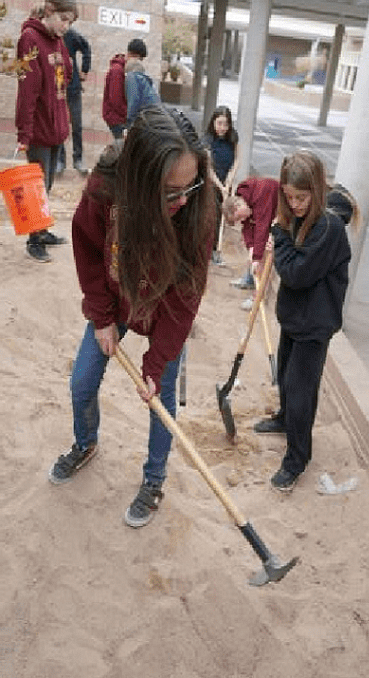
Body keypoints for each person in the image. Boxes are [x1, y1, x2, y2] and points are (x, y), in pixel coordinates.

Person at [47, 105, 216, 529]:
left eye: (187, 187)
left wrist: (156, 363)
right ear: (139, 176)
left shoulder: (198, 207)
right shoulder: (106, 186)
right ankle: (86, 444)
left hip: (165, 308)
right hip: (117, 297)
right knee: (82, 381)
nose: (181, 200)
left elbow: (186, 294)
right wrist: (102, 317)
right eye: (168, 191)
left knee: (160, 399)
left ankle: (154, 479)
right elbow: (86, 247)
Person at [252, 152, 357, 493]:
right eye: (288, 196)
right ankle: (285, 420)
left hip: (315, 323)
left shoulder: (327, 228)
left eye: (301, 197)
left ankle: (298, 458)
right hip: (295, 318)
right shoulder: (296, 217)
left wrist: (279, 239)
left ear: (315, 191)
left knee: (301, 390)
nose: (294, 204)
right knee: (285, 376)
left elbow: (296, 274)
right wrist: (280, 234)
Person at [14, 0, 76, 263]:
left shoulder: (57, 39)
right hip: (38, 129)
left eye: (71, 22)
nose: (66, 25)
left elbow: (67, 74)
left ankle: (42, 230)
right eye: (64, 19)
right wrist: (24, 134)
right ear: (49, 12)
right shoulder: (29, 39)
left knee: (47, 183)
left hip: (55, 128)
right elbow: (27, 92)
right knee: (35, 187)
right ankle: (33, 240)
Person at [222, 175, 279, 301]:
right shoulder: (245, 201)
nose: (241, 220)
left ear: (237, 206)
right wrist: (251, 247)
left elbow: (261, 228)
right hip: (269, 215)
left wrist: (257, 258)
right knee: (253, 249)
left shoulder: (261, 193)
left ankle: (259, 295)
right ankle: (250, 279)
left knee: (265, 247)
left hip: (280, 214)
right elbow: (247, 226)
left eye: (238, 218)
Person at [204, 105, 240, 265]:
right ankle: (208, 250)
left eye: (226, 124)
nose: (222, 128)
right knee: (211, 216)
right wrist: (220, 186)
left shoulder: (233, 137)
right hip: (211, 183)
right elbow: (208, 168)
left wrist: (229, 181)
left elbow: (237, 160)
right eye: (219, 123)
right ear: (213, 122)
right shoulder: (207, 140)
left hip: (226, 182)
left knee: (222, 216)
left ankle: (215, 251)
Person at [56, 26, 91, 176]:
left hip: (73, 86)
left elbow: (86, 48)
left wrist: (84, 70)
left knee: (76, 124)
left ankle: (78, 159)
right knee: (58, 125)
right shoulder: (49, 35)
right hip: (56, 87)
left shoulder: (71, 35)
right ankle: (59, 161)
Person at [102, 37, 146, 139]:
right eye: (139, 59)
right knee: (123, 148)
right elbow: (115, 100)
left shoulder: (126, 69)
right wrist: (130, 115)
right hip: (117, 119)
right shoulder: (117, 70)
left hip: (120, 117)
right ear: (133, 55)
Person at [124, 57, 161, 129]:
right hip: (156, 115)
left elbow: (134, 99)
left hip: (146, 116)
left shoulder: (132, 76)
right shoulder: (145, 79)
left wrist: (129, 121)